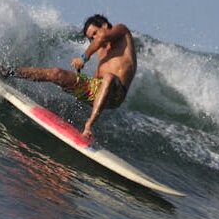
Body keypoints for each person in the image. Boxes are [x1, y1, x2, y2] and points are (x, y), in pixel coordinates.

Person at [9, 14, 137, 142]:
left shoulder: (122, 31)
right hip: (98, 89)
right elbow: (96, 81)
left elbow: (102, 37)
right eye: (91, 38)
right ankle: (10, 71)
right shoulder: (101, 52)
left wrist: (83, 58)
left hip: (116, 93)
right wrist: (77, 81)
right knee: (56, 74)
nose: (94, 38)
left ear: (104, 25)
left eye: (94, 33)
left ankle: (89, 125)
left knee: (108, 77)